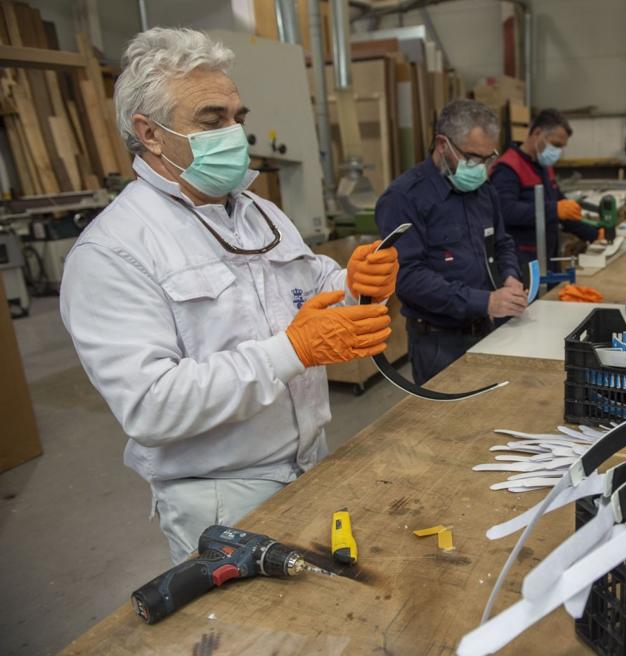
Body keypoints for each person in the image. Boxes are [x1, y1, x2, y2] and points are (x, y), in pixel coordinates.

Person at [59, 28, 399, 564]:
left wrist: (354, 286)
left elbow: (307, 287)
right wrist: (294, 351)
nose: (235, 133)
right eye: (212, 120)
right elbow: (151, 407)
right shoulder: (112, 251)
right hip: (224, 497)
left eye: (238, 117)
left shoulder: (255, 209)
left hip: (314, 460)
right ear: (149, 133)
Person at [375, 99, 526, 385]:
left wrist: (510, 276)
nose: (481, 169)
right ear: (442, 144)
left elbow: (502, 242)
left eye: (488, 158)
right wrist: (486, 301)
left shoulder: (484, 191)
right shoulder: (404, 198)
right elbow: (407, 277)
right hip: (438, 342)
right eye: (472, 158)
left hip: (488, 327)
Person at [490, 109, 597, 271]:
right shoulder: (508, 168)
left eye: (562, 147)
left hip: (547, 255)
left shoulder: (544, 166)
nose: (558, 152)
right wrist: (554, 210)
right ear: (537, 133)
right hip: (521, 261)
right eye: (556, 144)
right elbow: (505, 211)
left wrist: (594, 234)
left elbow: (562, 210)